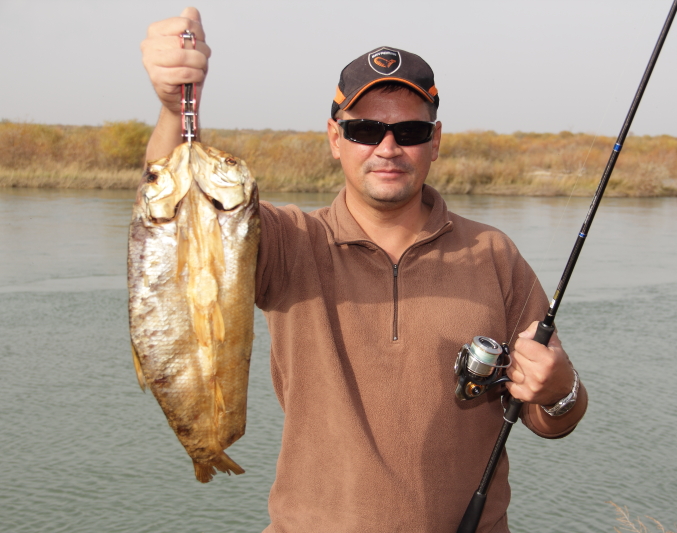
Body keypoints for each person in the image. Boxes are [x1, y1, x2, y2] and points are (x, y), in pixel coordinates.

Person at [141, 8, 587, 533]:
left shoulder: (494, 254)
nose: (388, 147)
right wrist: (175, 112)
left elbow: (552, 419)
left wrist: (560, 390)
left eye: (410, 130)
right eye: (365, 129)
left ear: (436, 141)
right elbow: (179, 225)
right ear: (335, 138)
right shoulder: (288, 242)